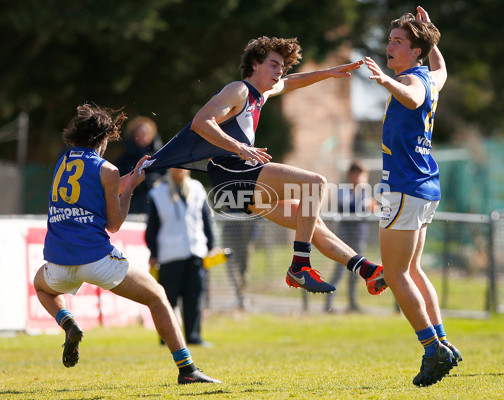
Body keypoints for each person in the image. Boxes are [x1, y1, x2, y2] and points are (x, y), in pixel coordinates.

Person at [142, 36, 387, 297]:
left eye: (282, 65)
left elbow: (292, 82)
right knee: (315, 184)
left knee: (311, 222)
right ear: (255, 65)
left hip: (237, 188)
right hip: (231, 176)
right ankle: (300, 265)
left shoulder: (262, 94)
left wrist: (327, 73)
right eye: (273, 64)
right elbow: (201, 122)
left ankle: (367, 271)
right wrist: (239, 147)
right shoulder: (239, 89)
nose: (280, 70)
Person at [33, 104, 220, 385]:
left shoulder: (63, 162)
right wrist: (131, 186)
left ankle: (68, 323)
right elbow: (114, 224)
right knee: (157, 297)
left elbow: (94, 189)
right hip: (97, 261)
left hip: (58, 263)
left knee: (41, 287)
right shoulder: (106, 169)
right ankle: (187, 369)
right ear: (104, 139)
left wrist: (129, 178)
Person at [364, 7, 461, 387]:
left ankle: (432, 350)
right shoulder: (430, 74)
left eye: (399, 42)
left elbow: (412, 97)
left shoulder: (414, 81)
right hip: (421, 186)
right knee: (414, 270)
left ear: (415, 51)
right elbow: (442, 70)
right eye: (389, 40)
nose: (390, 46)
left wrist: (387, 83)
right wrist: (433, 39)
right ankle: (442, 342)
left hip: (404, 187)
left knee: (395, 272)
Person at [145, 168, 215, 346]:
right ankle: (166, 338)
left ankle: (193, 336)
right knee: (168, 300)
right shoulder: (158, 192)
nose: (179, 170)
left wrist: (211, 245)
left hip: (195, 251)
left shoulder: (197, 188)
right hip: (169, 254)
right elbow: (152, 226)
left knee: (194, 298)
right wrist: (153, 252)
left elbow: (205, 219)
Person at [325, 161, 373, 313]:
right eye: (356, 174)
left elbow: (372, 209)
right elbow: (350, 207)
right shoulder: (343, 192)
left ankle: (352, 303)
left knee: (356, 272)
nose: (359, 178)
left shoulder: (366, 193)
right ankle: (329, 304)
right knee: (339, 271)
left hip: (359, 237)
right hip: (344, 239)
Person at [116, 116, 165, 214]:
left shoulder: (161, 158)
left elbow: (167, 179)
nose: (143, 136)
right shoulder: (124, 160)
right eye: (140, 133)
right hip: (132, 210)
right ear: (134, 135)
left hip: (157, 209)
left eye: (146, 133)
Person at [222, 216, 258, 310]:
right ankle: (237, 293)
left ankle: (243, 295)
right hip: (230, 230)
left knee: (244, 267)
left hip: (247, 232)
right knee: (230, 264)